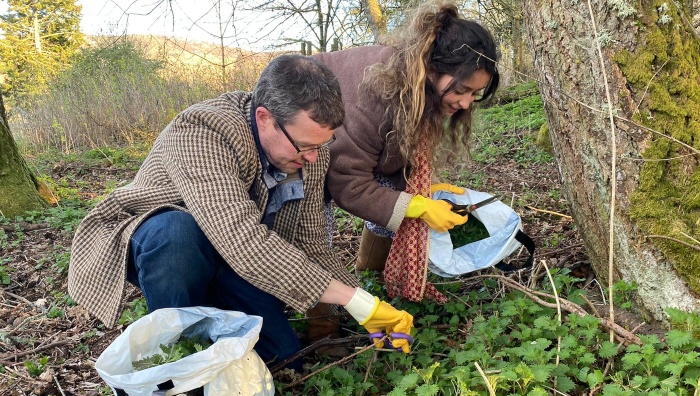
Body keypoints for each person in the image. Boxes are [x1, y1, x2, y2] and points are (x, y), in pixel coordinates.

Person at [66, 54, 414, 372]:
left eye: (320, 146)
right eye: (305, 146)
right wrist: (353, 299)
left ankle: (217, 324)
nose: (313, 157)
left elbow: (311, 244)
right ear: (265, 118)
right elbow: (241, 240)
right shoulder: (202, 131)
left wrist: (364, 303)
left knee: (283, 359)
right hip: (168, 244)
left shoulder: (310, 151)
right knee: (177, 234)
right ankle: (173, 350)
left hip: (232, 258)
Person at [314, 1, 499, 301]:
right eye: (461, 90)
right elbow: (347, 183)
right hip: (303, 146)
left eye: (474, 94)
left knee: (400, 200)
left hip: (348, 149)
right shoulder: (376, 95)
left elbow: (393, 165)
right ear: (433, 68)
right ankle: (321, 322)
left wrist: (426, 192)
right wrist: (419, 206)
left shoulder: (418, 91)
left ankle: (373, 276)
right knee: (314, 229)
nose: (466, 104)